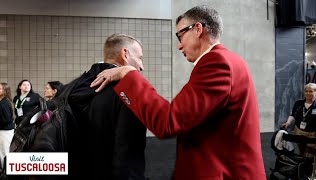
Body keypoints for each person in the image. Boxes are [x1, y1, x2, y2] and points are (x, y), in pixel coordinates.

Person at [90, 5, 266, 180]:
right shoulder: (230, 60)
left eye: (180, 36)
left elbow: (167, 122)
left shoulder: (217, 63)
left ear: (198, 29)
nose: (179, 45)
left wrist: (129, 74)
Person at [67, 34, 146, 179]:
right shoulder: (129, 90)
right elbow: (128, 155)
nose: (141, 66)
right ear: (125, 54)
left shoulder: (72, 88)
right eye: (140, 58)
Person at [282, 83, 316, 158]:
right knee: (301, 152)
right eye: (306, 91)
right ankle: (302, 168)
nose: (308, 93)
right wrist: (288, 123)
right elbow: (293, 115)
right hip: (299, 132)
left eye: (311, 91)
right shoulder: (298, 103)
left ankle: (310, 169)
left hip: (312, 135)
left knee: (310, 155)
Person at [0, 82, 15, 172]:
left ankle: (6, 172)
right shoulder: (3, 101)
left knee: (4, 152)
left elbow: (6, 119)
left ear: (5, 91)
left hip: (5, 131)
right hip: (4, 130)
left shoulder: (4, 103)